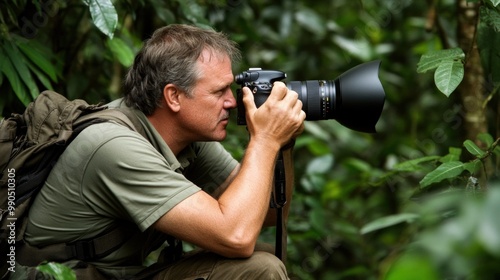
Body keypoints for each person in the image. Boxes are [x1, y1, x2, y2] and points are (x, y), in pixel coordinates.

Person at [18, 24, 305, 279]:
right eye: (219, 92)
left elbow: (267, 215)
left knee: (262, 255)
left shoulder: (186, 136)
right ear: (174, 96)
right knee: (259, 269)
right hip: (58, 276)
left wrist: (282, 143)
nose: (233, 102)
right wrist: (265, 139)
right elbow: (236, 235)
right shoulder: (113, 147)